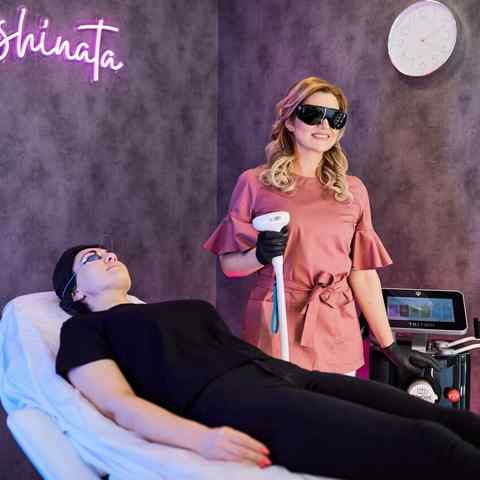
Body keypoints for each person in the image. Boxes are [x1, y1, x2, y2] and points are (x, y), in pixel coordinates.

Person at [53, 244, 480, 479]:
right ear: (75, 292)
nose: (109, 256)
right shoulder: (82, 330)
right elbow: (119, 404)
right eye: (92, 258)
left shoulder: (177, 309)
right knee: (429, 444)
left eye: (109, 252)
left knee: (449, 420)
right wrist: (201, 440)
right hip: (235, 400)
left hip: (289, 375)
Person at [203, 76, 415, 376]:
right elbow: (230, 266)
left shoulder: (353, 191)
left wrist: (388, 345)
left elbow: (363, 275)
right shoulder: (254, 183)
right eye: (313, 114)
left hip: (335, 326)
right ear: (290, 121)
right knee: (279, 404)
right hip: (276, 323)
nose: (324, 125)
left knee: (336, 406)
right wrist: (259, 256)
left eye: (335, 118)